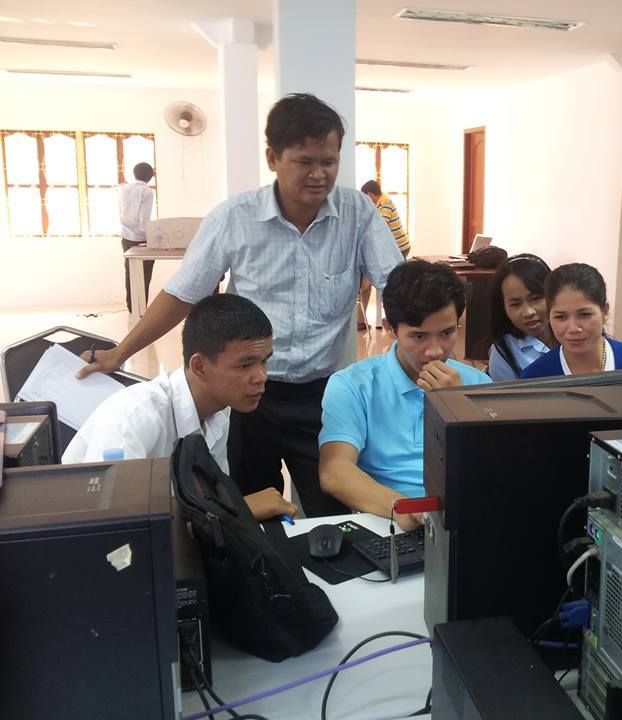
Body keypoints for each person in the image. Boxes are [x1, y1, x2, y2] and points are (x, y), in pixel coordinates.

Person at [77, 93, 404, 517]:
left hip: (323, 394)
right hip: (248, 395)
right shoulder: (234, 218)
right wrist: (121, 352)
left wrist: (421, 345)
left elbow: (397, 288)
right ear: (273, 158)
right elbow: (183, 293)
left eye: (329, 161)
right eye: (304, 161)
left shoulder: (358, 212)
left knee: (334, 512)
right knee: (249, 510)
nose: (319, 174)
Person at [63, 295, 296, 521]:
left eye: (264, 361)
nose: (261, 377)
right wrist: (239, 510)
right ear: (200, 367)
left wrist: (229, 512)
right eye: (245, 365)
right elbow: (118, 526)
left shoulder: (220, 410)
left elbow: (209, 500)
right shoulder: (133, 419)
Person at [318, 260, 492, 530]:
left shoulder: (477, 383)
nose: (435, 351)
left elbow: (492, 469)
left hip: (463, 519)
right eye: (419, 337)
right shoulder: (352, 385)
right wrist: (402, 507)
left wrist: (456, 406)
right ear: (390, 328)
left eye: (447, 333)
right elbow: (334, 472)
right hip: (388, 518)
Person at [520, 263, 622, 383]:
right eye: (561, 317)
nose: (573, 328)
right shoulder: (535, 377)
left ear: (605, 312)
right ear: (549, 316)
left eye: (585, 314)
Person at [487, 254, 555, 381]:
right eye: (515, 304)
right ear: (503, 308)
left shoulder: (572, 332)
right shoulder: (504, 351)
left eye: (536, 298)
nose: (528, 312)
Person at [357, 179, 410, 330]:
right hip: (384, 248)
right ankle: (361, 320)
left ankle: (394, 319)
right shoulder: (377, 204)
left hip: (398, 248)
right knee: (367, 285)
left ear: (370, 194)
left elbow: (380, 226)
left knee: (393, 283)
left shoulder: (385, 202)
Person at [120, 162, 155, 313]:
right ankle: (141, 309)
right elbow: (144, 220)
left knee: (130, 272)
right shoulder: (147, 192)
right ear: (151, 176)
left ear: (134, 173)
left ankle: (132, 307)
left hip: (126, 236)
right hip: (142, 238)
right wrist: (152, 239)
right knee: (144, 274)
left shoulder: (124, 189)